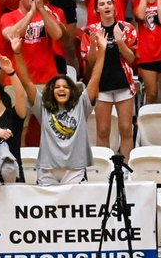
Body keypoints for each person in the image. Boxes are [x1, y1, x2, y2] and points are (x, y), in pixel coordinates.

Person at [12, 30, 105, 186]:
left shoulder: (81, 105)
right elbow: (27, 82)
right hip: (47, 170)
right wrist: (17, 53)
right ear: (51, 91)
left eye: (65, 87)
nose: (61, 89)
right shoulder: (43, 106)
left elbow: (95, 77)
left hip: (75, 170)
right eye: (57, 87)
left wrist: (102, 52)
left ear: (72, 90)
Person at [84, 0, 137, 151]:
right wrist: (94, 44)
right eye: (102, 4)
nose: (106, 6)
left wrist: (120, 41)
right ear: (96, 10)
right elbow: (91, 62)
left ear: (114, 7)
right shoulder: (90, 31)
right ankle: (105, 170)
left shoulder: (127, 28)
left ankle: (127, 171)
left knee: (126, 129)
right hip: (101, 86)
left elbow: (131, 59)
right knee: (103, 130)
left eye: (109, 3)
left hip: (124, 84)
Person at [0, 0, 67, 87]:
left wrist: (40, 8)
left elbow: (57, 35)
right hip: (16, 82)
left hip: (46, 79)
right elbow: (12, 35)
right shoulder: (8, 17)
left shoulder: (46, 14)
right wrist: (31, 13)